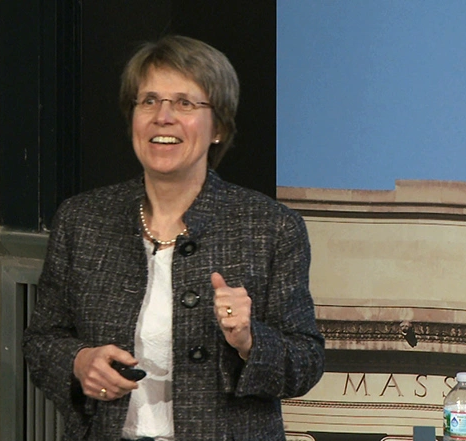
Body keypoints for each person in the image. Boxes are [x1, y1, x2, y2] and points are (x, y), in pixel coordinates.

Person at [22, 35, 324, 441]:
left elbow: (305, 362)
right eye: (148, 101)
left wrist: (250, 340)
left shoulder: (270, 227)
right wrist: (78, 361)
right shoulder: (83, 220)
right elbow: (42, 341)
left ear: (218, 126)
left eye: (185, 103)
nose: (163, 116)